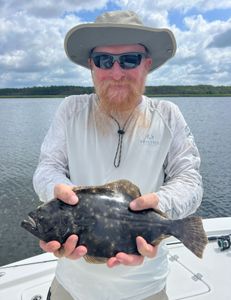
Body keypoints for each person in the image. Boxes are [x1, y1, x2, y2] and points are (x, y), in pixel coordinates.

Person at [33, 10, 203, 300]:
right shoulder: (70, 110)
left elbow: (190, 180)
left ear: (147, 65)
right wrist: (55, 191)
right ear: (91, 66)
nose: (116, 72)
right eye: (103, 61)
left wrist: (163, 205)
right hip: (72, 286)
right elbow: (47, 168)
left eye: (129, 59)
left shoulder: (168, 115)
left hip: (146, 287)